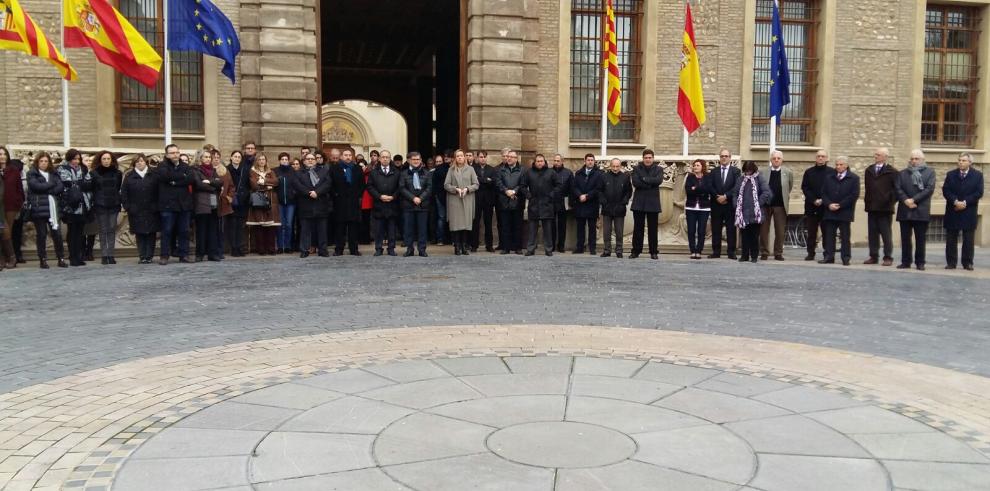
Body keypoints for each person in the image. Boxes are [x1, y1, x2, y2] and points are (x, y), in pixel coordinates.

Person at [894, 149, 936, 271]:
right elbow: (898, 188)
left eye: (916, 159)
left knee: (920, 239)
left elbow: (929, 189)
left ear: (922, 160)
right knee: (905, 238)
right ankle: (906, 261)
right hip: (905, 209)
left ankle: (920, 262)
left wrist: (914, 200)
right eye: (912, 159)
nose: (914, 161)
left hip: (921, 209)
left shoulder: (930, 172)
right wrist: (906, 200)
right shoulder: (902, 173)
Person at [942, 152, 984, 271]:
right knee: (951, 238)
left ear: (970, 162)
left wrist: (965, 202)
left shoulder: (978, 175)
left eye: (964, 160)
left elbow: (979, 192)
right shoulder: (951, 175)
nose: (961, 162)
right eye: (959, 160)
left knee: (968, 239)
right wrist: (955, 201)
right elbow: (946, 190)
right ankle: (951, 262)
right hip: (953, 209)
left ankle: (968, 262)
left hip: (968, 210)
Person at [26, 153, 66, 268]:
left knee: (57, 234)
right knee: (42, 235)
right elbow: (36, 187)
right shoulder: (32, 173)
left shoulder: (53, 174)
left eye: (46, 161)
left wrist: (47, 187)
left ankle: (61, 258)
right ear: (37, 162)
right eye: (41, 161)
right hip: (39, 209)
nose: (44, 163)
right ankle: (43, 259)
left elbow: (60, 187)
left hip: (53, 208)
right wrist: (50, 185)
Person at [819, 156, 860, 266]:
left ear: (846, 165)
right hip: (830, 211)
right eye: (837, 164)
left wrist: (840, 205)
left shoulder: (854, 178)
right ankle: (829, 256)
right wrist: (829, 204)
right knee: (829, 235)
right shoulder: (829, 177)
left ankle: (845, 257)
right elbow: (824, 193)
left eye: (841, 165)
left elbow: (854, 195)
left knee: (845, 236)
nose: (838, 167)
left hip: (845, 212)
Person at [158, 144, 194, 265]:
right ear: (167, 155)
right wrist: (180, 178)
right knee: (167, 231)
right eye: (172, 153)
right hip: (168, 205)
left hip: (184, 205)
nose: (175, 155)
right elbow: (165, 176)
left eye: (177, 152)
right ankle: (164, 255)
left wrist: (173, 182)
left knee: (184, 231)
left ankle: (184, 255)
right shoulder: (162, 166)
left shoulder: (186, 166)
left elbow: (190, 179)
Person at [120, 154, 159, 264]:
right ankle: (142, 256)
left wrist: (156, 206)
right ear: (134, 164)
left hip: (151, 209)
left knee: (151, 233)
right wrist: (128, 207)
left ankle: (149, 255)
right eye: (137, 162)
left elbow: (159, 191)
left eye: (142, 161)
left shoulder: (153, 175)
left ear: (146, 162)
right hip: (136, 210)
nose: (140, 163)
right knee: (140, 233)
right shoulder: (129, 176)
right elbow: (124, 193)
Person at [57, 149, 92, 266]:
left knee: (80, 232)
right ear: (69, 158)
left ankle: (79, 256)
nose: (76, 161)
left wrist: (78, 184)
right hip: (70, 206)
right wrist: (78, 184)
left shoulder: (83, 169)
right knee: (72, 232)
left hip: (82, 205)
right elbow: (67, 183)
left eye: (78, 159)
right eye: (74, 159)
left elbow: (88, 183)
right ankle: (73, 257)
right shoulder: (63, 168)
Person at [293, 153, 332, 257]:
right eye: (308, 159)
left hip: (320, 204)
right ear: (304, 161)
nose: (310, 160)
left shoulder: (323, 171)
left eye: (312, 159)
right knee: (305, 230)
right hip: (306, 204)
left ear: (315, 160)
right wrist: (309, 193)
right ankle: (304, 250)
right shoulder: (298, 173)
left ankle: (323, 250)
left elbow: (327, 184)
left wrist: (317, 192)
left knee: (322, 229)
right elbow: (297, 185)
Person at [863, 147, 897, 266]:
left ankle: (888, 256)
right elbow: (867, 188)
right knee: (872, 233)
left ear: (885, 157)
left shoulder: (892, 171)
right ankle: (873, 255)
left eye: (878, 154)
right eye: (875, 154)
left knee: (886, 233)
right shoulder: (869, 170)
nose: (875, 156)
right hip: (872, 207)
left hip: (885, 208)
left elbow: (896, 190)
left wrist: (889, 201)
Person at [733, 161, 772, 263]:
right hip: (743, 212)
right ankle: (744, 256)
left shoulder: (759, 178)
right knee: (744, 235)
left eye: (750, 170)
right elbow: (735, 194)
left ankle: (754, 256)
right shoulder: (740, 179)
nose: (748, 173)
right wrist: (736, 205)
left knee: (754, 236)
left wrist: (758, 203)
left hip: (756, 212)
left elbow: (766, 192)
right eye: (746, 171)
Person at [89, 151, 123, 265]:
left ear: (112, 160)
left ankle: (111, 254)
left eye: (108, 159)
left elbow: (117, 187)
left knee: (112, 229)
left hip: (113, 204)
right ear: (100, 160)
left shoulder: (118, 173)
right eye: (104, 159)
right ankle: (104, 255)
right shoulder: (94, 173)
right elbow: (93, 189)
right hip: (100, 204)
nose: (106, 161)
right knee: (103, 230)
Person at [521, 154, 560, 256]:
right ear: (534, 162)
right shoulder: (529, 172)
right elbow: (523, 186)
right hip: (534, 204)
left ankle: (548, 249)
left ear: (544, 162)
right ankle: (530, 248)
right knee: (532, 229)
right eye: (538, 161)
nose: (539, 163)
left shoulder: (551, 172)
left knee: (547, 229)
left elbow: (559, 185)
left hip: (547, 204)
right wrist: (528, 195)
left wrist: (551, 195)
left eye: (541, 161)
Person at [759, 150, 793, 261]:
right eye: (774, 158)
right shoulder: (763, 172)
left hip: (780, 205)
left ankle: (778, 253)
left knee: (780, 231)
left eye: (778, 158)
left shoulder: (788, 172)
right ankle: (764, 252)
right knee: (764, 230)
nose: (776, 160)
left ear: (782, 160)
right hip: (765, 205)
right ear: (771, 159)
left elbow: (789, 187)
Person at [444, 149, 479, 256]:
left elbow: (476, 184)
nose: (460, 158)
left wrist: (467, 189)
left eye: (461, 156)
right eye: (457, 156)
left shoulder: (470, 169)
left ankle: (464, 246)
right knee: (455, 224)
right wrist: (456, 189)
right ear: (455, 158)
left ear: (465, 157)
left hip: (467, 199)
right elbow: (446, 185)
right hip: (455, 200)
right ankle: (457, 246)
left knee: (465, 224)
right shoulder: (451, 170)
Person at [191, 149, 223, 262]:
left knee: (213, 230)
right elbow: (199, 184)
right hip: (201, 203)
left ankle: (212, 253)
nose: (208, 159)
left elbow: (220, 182)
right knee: (201, 230)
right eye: (206, 157)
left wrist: (209, 182)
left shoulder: (213, 170)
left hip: (213, 203)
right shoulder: (195, 170)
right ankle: (200, 254)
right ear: (200, 159)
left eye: (209, 157)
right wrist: (213, 184)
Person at [331, 149, 364, 256]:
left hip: (353, 202)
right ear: (341, 156)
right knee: (340, 227)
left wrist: (357, 195)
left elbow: (362, 184)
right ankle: (339, 249)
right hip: (340, 202)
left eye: (350, 155)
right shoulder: (334, 168)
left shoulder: (357, 169)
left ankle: (354, 249)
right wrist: (335, 194)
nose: (348, 157)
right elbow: (331, 184)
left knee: (353, 227)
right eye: (346, 155)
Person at [630, 149, 662, 260]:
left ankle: (653, 251)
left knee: (653, 229)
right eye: (646, 158)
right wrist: (650, 182)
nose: (648, 159)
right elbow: (636, 182)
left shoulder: (659, 169)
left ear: (653, 158)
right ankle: (635, 251)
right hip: (639, 203)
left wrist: (644, 179)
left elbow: (658, 181)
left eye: (649, 157)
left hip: (653, 203)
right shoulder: (636, 169)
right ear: (642, 158)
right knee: (638, 229)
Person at [708, 149, 740, 259]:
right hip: (716, 204)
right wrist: (717, 197)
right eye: (722, 156)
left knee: (731, 229)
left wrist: (726, 196)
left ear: (730, 158)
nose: (724, 158)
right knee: (716, 228)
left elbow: (737, 187)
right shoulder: (714, 171)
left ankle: (731, 252)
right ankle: (716, 251)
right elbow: (710, 186)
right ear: (719, 158)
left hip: (729, 204)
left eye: (726, 156)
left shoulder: (736, 171)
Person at [368, 150, 401, 256]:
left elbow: (400, 187)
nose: (385, 159)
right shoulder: (373, 172)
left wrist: (393, 196)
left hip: (392, 204)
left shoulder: (396, 172)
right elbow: (370, 187)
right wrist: (379, 196)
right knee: (379, 229)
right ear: (379, 159)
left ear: (390, 158)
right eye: (383, 157)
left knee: (392, 229)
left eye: (387, 157)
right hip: (379, 204)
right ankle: (378, 248)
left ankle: (391, 248)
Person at [399, 152, 432, 257]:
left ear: (421, 160)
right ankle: (410, 249)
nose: (416, 161)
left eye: (418, 159)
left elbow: (429, 188)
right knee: (408, 229)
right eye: (414, 159)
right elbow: (402, 188)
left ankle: (422, 249)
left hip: (423, 205)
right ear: (409, 160)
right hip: (408, 205)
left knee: (422, 229)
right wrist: (413, 198)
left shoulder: (427, 173)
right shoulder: (403, 173)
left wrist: (420, 198)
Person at [801, 149, 832, 261]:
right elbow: (805, 187)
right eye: (818, 156)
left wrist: (823, 200)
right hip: (811, 206)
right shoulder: (809, 172)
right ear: (815, 158)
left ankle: (827, 254)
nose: (820, 158)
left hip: (826, 207)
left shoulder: (832, 172)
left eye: (823, 156)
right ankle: (810, 253)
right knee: (811, 232)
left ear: (827, 158)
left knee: (827, 232)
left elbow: (832, 189)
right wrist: (814, 199)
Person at [247, 154, 280, 255]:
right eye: (260, 159)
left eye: (263, 159)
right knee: (259, 227)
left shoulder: (270, 171)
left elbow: (276, 182)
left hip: (270, 200)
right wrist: (268, 187)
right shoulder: (252, 171)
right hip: (258, 200)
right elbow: (254, 185)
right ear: (257, 161)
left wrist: (264, 181)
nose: (262, 161)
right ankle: (261, 249)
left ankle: (271, 248)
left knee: (270, 227)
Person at [600, 158, 632, 258]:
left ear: (620, 166)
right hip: (607, 208)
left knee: (619, 231)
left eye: (617, 166)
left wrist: (624, 202)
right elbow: (599, 191)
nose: (615, 168)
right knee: (606, 231)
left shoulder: (625, 177)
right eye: (613, 166)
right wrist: (604, 202)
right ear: (610, 166)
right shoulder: (604, 177)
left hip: (619, 208)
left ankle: (619, 250)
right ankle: (607, 250)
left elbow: (628, 192)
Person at [572, 153, 604, 255]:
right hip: (580, 204)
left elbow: (598, 189)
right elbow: (574, 187)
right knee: (580, 227)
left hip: (592, 203)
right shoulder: (579, 173)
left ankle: (592, 248)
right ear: (584, 161)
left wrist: (587, 196)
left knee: (592, 228)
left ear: (594, 161)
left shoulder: (599, 174)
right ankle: (579, 247)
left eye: (592, 160)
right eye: (588, 160)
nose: (590, 162)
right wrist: (579, 195)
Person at [496, 150, 525, 254]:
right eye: (508, 156)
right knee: (505, 226)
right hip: (504, 201)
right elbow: (498, 182)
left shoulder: (522, 170)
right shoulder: (501, 169)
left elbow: (522, 184)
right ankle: (506, 247)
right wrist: (506, 191)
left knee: (517, 226)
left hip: (517, 201)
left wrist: (514, 191)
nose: (509, 158)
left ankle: (518, 247)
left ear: (516, 159)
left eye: (511, 157)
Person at [0, 146, 25, 267]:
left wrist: (19, 202)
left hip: (11, 205)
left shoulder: (13, 170)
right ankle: (7, 258)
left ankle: (10, 257)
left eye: (4, 154)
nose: (2, 156)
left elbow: (19, 188)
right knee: (3, 230)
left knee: (6, 230)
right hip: (0, 206)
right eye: (0, 154)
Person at [684, 159, 711, 259]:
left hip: (704, 208)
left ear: (702, 167)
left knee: (701, 231)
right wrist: (699, 189)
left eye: (697, 165)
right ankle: (692, 251)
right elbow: (688, 191)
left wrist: (695, 188)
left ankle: (699, 251)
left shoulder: (708, 177)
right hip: (691, 207)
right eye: (694, 165)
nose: (695, 167)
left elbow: (708, 189)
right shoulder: (690, 177)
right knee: (691, 230)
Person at [471, 150, 498, 252]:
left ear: (487, 158)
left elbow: (494, 182)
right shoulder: (473, 169)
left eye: (484, 157)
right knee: (475, 223)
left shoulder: (492, 169)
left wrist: (481, 180)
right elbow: (474, 181)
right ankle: (474, 245)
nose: (483, 159)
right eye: (481, 157)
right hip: (476, 199)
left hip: (488, 200)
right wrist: (486, 180)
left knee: (488, 223)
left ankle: (489, 245)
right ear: (477, 158)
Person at [225, 150, 250, 256]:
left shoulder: (245, 169)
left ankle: (240, 247)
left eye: (239, 157)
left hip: (242, 201)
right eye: (235, 156)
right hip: (231, 200)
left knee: (241, 226)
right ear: (231, 158)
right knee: (232, 225)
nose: (237, 158)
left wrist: (245, 195)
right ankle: (233, 248)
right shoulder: (227, 169)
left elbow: (247, 184)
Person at [274, 153, 298, 254]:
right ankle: (280, 246)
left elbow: (297, 184)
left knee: (288, 224)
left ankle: (288, 246)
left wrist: (293, 193)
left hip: (290, 202)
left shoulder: (293, 171)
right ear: (279, 160)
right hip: (279, 202)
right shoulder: (275, 171)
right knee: (280, 225)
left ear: (289, 161)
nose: (284, 161)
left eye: (286, 159)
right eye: (282, 159)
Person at [551, 153, 573, 253]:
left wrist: (571, 203)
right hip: (551, 201)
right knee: (551, 224)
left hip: (563, 201)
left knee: (562, 225)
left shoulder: (568, 173)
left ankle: (561, 246)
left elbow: (571, 188)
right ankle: (551, 245)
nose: (556, 162)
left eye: (558, 161)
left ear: (562, 161)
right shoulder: (549, 172)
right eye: (555, 161)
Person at [81, 154, 98, 262]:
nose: (89, 162)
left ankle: (89, 251)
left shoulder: (94, 173)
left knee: (92, 230)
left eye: (90, 160)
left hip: (93, 204)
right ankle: (82, 251)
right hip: (82, 204)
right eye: (86, 160)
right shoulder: (79, 173)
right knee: (82, 231)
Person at [359, 149, 379, 245]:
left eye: (375, 155)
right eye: (371, 155)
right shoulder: (367, 169)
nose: (373, 157)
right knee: (366, 218)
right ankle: (368, 237)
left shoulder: (380, 167)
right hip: (366, 197)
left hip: (377, 195)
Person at [432, 151, 451, 245]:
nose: (447, 158)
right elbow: (434, 183)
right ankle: (440, 239)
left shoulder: (453, 168)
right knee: (442, 217)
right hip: (440, 195)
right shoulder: (440, 168)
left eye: (449, 157)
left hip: (452, 196)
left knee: (450, 218)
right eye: (446, 157)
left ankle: (450, 239)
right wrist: (436, 195)